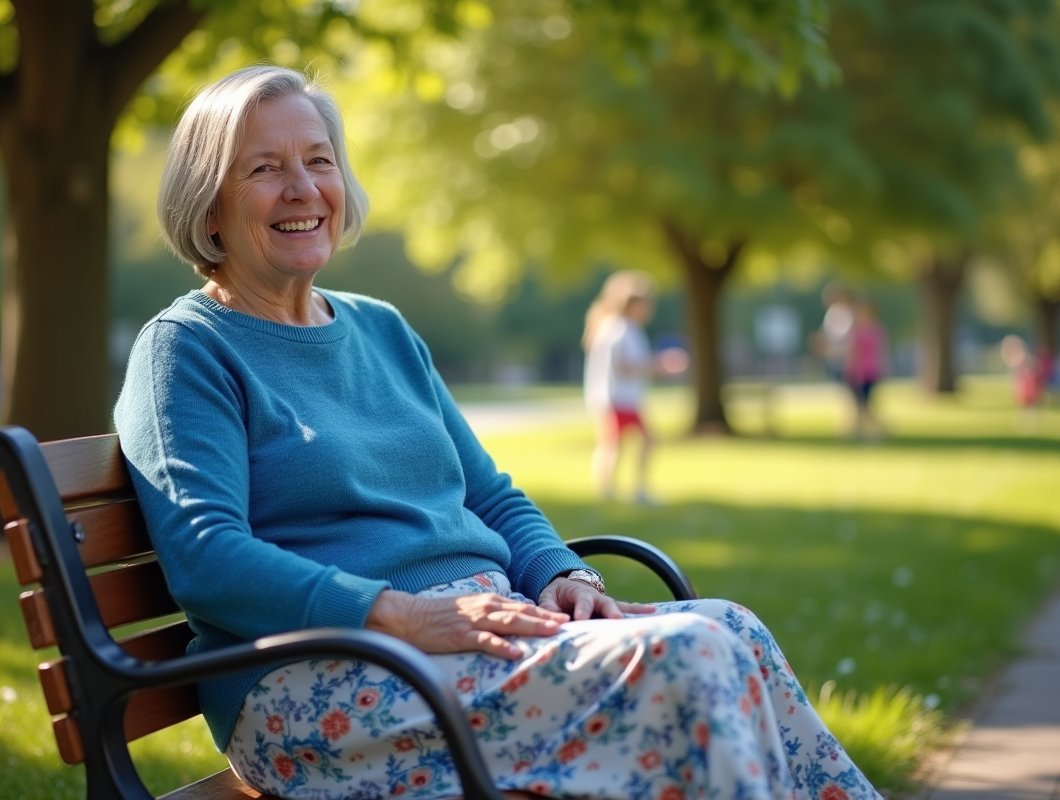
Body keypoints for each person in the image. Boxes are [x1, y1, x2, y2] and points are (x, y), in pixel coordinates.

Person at [115, 66, 881, 800]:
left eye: (319, 160)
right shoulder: (187, 349)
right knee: (691, 658)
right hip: (319, 675)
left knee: (732, 629)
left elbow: (488, 493)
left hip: (474, 632)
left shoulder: (382, 328)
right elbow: (207, 558)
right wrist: (405, 615)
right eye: (264, 169)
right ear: (207, 207)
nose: (303, 188)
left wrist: (559, 572)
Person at [582, 272, 686, 504]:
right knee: (617, 444)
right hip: (617, 399)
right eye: (646, 304)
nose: (650, 309)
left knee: (618, 443)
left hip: (623, 398)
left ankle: (617, 489)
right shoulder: (619, 330)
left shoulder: (625, 329)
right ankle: (620, 490)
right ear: (632, 305)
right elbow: (624, 366)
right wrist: (660, 365)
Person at [843, 300, 888, 441]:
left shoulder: (875, 330)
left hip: (870, 372)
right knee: (860, 404)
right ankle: (861, 431)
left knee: (865, 403)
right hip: (858, 372)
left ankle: (875, 430)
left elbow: (879, 352)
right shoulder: (857, 331)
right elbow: (852, 353)